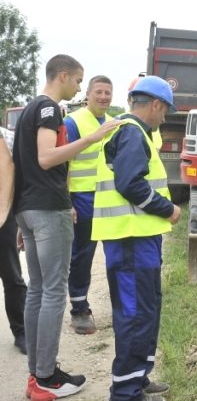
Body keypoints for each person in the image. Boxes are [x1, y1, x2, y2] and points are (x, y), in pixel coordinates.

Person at [14, 55, 122, 400]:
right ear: (63, 76)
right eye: (78, 81)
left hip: (29, 210)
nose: (79, 87)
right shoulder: (49, 109)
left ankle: (37, 374)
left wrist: (21, 214)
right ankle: (46, 377)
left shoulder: (30, 109)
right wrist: (94, 137)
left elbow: (23, 163)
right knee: (52, 293)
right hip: (48, 210)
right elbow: (46, 158)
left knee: (37, 290)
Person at [92, 75, 181, 401]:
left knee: (145, 311)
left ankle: (137, 378)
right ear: (155, 105)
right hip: (130, 242)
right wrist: (167, 209)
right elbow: (130, 184)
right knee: (134, 316)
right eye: (165, 110)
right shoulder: (131, 133)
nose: (165, 118)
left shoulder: (132, 132)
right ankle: (126, 392)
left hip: (137, 240)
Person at [63, 75, 114, 335]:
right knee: (82, 255)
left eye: (108, 92)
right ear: (88, 95)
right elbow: (63, 163)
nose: (104, 97)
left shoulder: (113, 123)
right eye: (99, 92)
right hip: (82, 200)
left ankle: (120, 307)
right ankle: (79, 309)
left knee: (116, 255)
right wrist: (67, 201)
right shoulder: (73, 122)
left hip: (109, 201)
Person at [0, 127, 27, 355]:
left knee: (12, 277)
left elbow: (15, 172)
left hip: (3, 216)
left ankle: (22, 332)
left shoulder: (6, 137)